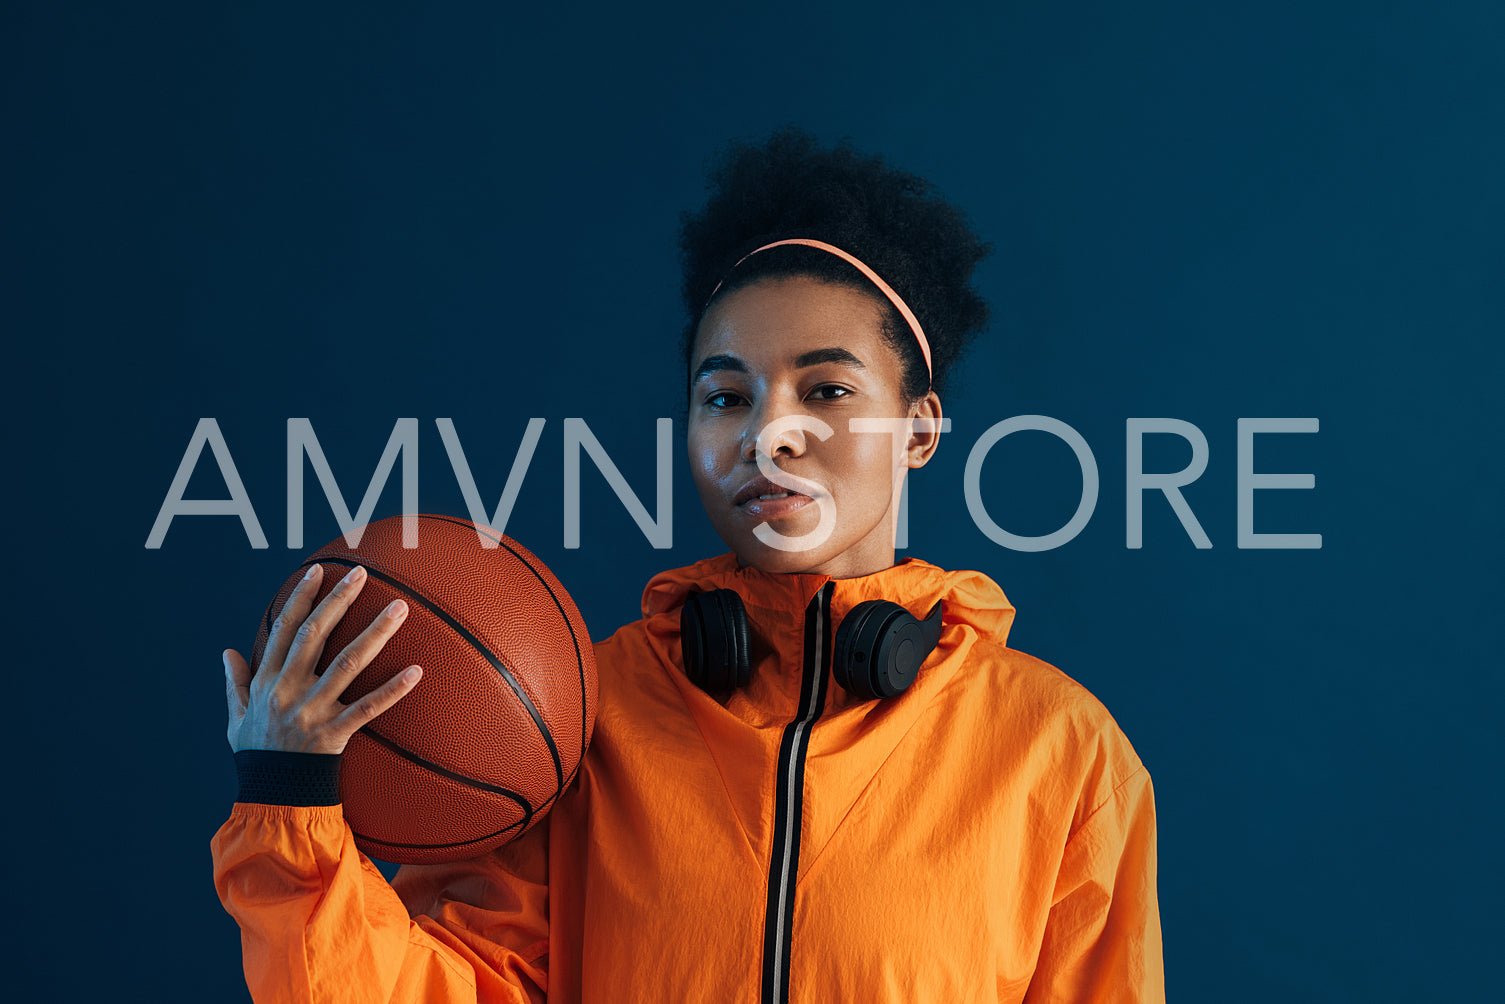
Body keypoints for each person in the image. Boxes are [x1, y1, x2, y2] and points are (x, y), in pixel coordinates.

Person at [213, 126, 1165, 1003]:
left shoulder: (1060, 751)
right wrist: (290, 805)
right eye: (724, 396)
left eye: (826, 387)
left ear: (918, 429)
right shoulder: (578, 719)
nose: (768, 434)